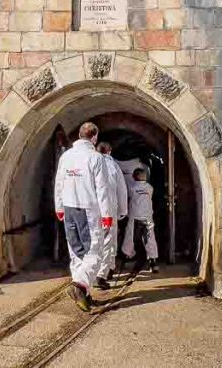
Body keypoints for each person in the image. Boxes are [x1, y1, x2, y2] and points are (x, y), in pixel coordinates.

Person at [53, 122, 114, 311]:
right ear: (94, 137)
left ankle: (84, 295)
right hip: (89, 209)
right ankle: (79, 284)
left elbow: (59, 182)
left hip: (69, 208)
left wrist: (59, 207)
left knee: (77, 252)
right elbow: (102, 188)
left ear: (79, 135)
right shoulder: (96, 158)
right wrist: (107, 214)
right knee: (94, 252)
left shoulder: (66, 156)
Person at [95, 142, 128, 290]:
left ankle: (105, 268)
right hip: (109, 208)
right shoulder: (113, 166)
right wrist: (123, 210)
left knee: (94, 241)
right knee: (109, 239)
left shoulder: (90, 162)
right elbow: (121, 189)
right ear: (110, 151)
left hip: (92, 209)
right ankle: (103, 273)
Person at [122, 166, 158, 274]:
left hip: (134, 216)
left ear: (134, 177)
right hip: (147, 217)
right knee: (150, 238)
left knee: (130, 237)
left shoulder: (132, 188)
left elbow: (127, 196)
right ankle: (153, 261)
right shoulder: (149, 188)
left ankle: (127, 256)